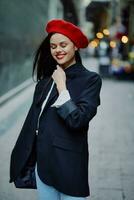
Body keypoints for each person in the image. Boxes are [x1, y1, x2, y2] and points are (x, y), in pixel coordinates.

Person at [10, 19, 102, 200]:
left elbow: (78, 120)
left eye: (63, 45)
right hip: (43, 167)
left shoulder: (90, 80)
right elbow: (34, 124)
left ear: (75, 46)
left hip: (70, 167)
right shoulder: (45, 82)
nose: (57, 50)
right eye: (53, 46)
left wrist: (62, 86)